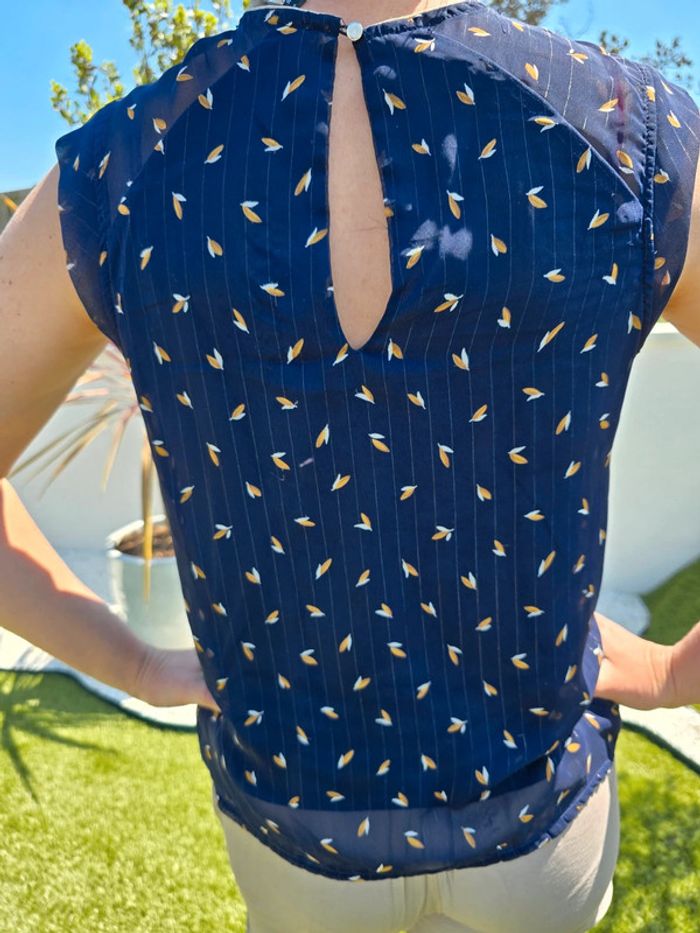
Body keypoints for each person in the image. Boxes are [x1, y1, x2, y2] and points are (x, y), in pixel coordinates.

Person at [0, 0, 699, 929]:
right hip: (538, 820)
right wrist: (673, 674)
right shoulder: (621, 129)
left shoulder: (124, 168)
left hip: (297, 829)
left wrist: (134, 664)